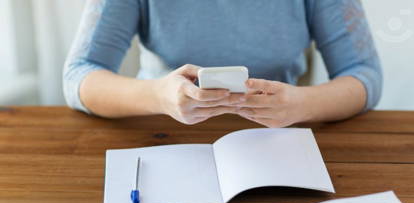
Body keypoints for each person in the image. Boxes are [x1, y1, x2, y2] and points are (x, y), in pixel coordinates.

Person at [63, 0, 382, 128]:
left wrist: (304, 104)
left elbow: (364, 73)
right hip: (163, 134)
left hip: (280, 139)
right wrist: (159, 95)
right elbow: (80, 72)